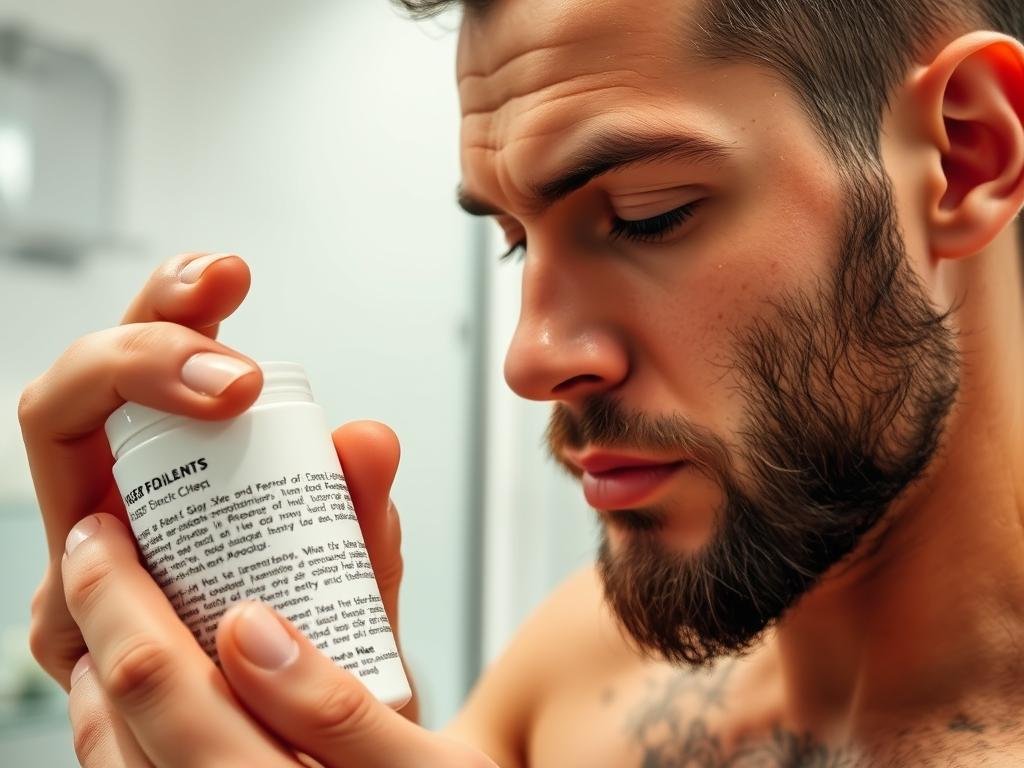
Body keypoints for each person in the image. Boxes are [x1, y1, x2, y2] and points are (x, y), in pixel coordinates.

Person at [18, 0, 1024, 764]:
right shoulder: (576, 667)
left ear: (964, 154)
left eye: (646, 213)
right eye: (513, 243)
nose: (530, 360)